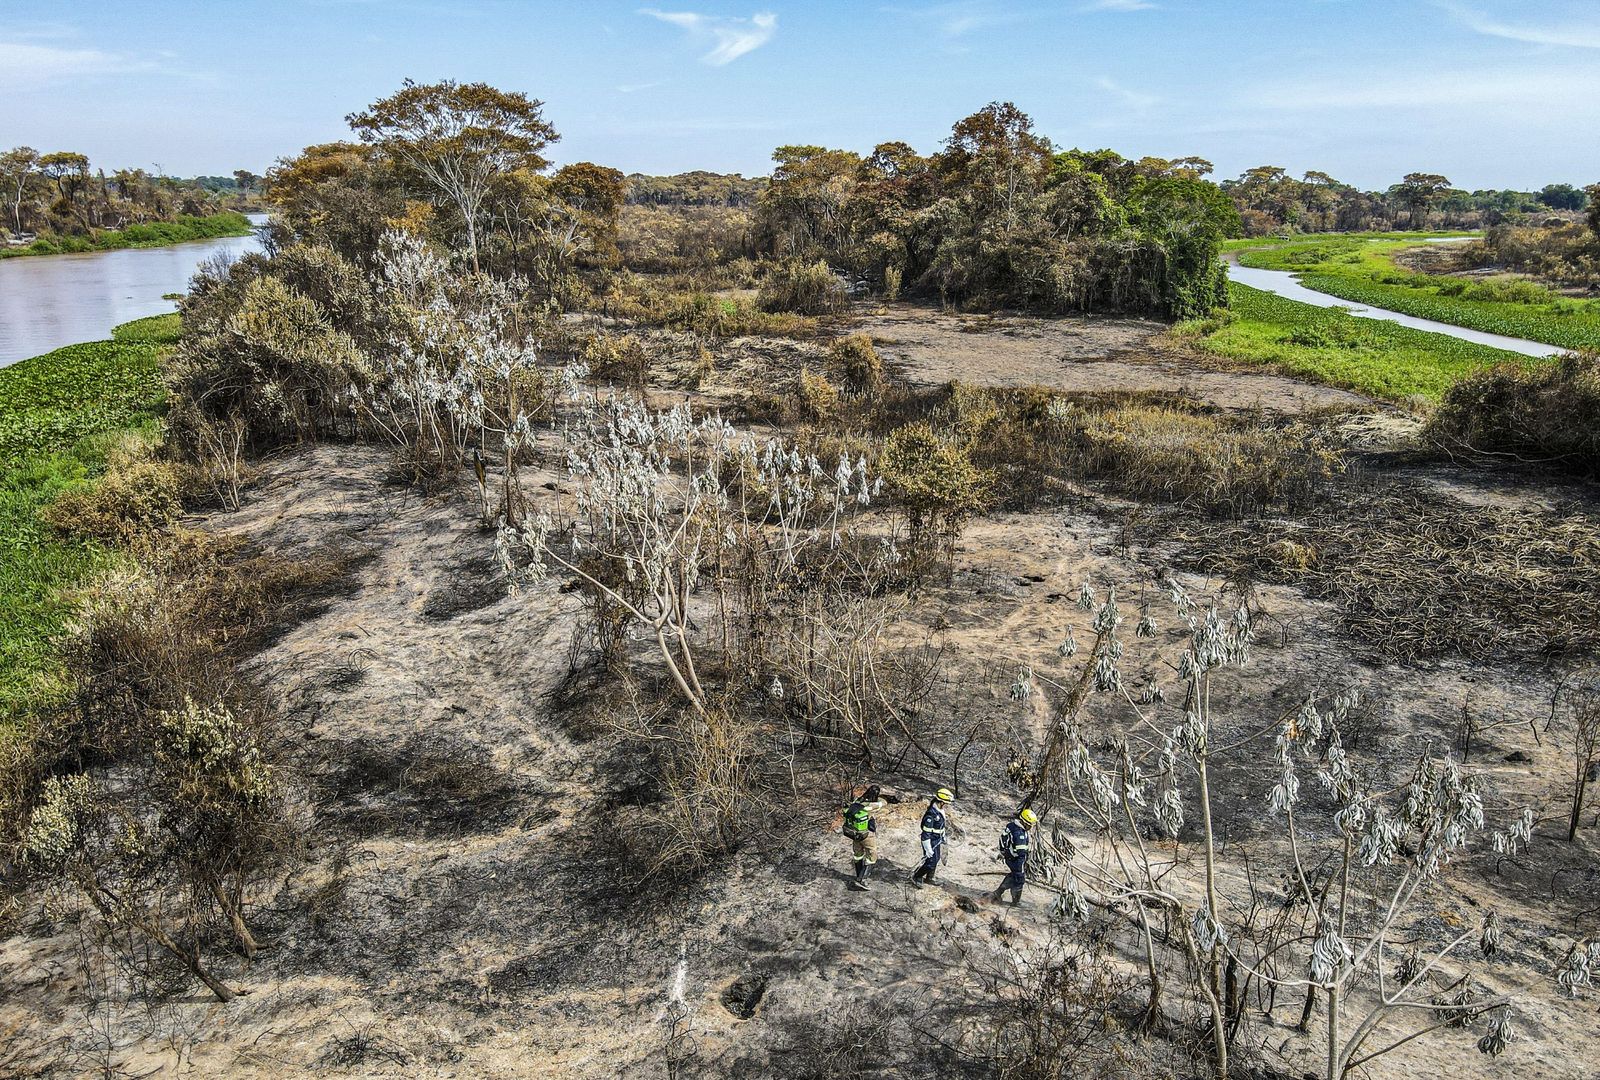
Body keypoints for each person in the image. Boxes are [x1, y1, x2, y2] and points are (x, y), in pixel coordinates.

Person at [990, 807, 1037, 906]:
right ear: (1025, 822)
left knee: (1014, 875)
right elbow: (1021, 852)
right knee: (1019, 879)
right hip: (1015, 859)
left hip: (1008, 856)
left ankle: (998, 893)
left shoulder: (1012, 825)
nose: (1031, 827)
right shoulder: (1019, 834)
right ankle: (1015, 902)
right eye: (1030, 825)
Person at [910, 788, 954, 888]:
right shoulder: (931, 815)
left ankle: (929, 878)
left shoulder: (940, 811)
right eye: (946, 803)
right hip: (930, 841)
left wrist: (943, 837)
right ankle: (917, 876)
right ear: (942, 802)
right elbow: (926, 834)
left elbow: (940, 827)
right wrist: (928, 848)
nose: (947, 806)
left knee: (936, 859)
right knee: (931, 862)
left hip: (937, 840)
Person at [842, 784, 884, 891]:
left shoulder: (857, 801)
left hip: (855, 833)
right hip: (867, 835)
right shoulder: (871, 806)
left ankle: (858, 875)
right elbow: (882, 803)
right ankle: (862, 879)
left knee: (858, 854)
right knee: (872, 855)